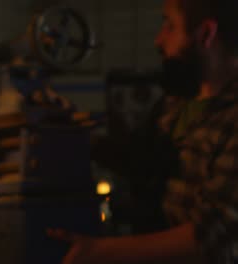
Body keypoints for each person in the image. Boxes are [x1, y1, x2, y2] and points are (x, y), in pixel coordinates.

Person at [48, 0, 238, 263]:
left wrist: (98, 251)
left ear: (206, 34)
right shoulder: (176, 103)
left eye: (169, 26)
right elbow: (141, 161)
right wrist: (76, 137)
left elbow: (215, 238)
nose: (159, 41)